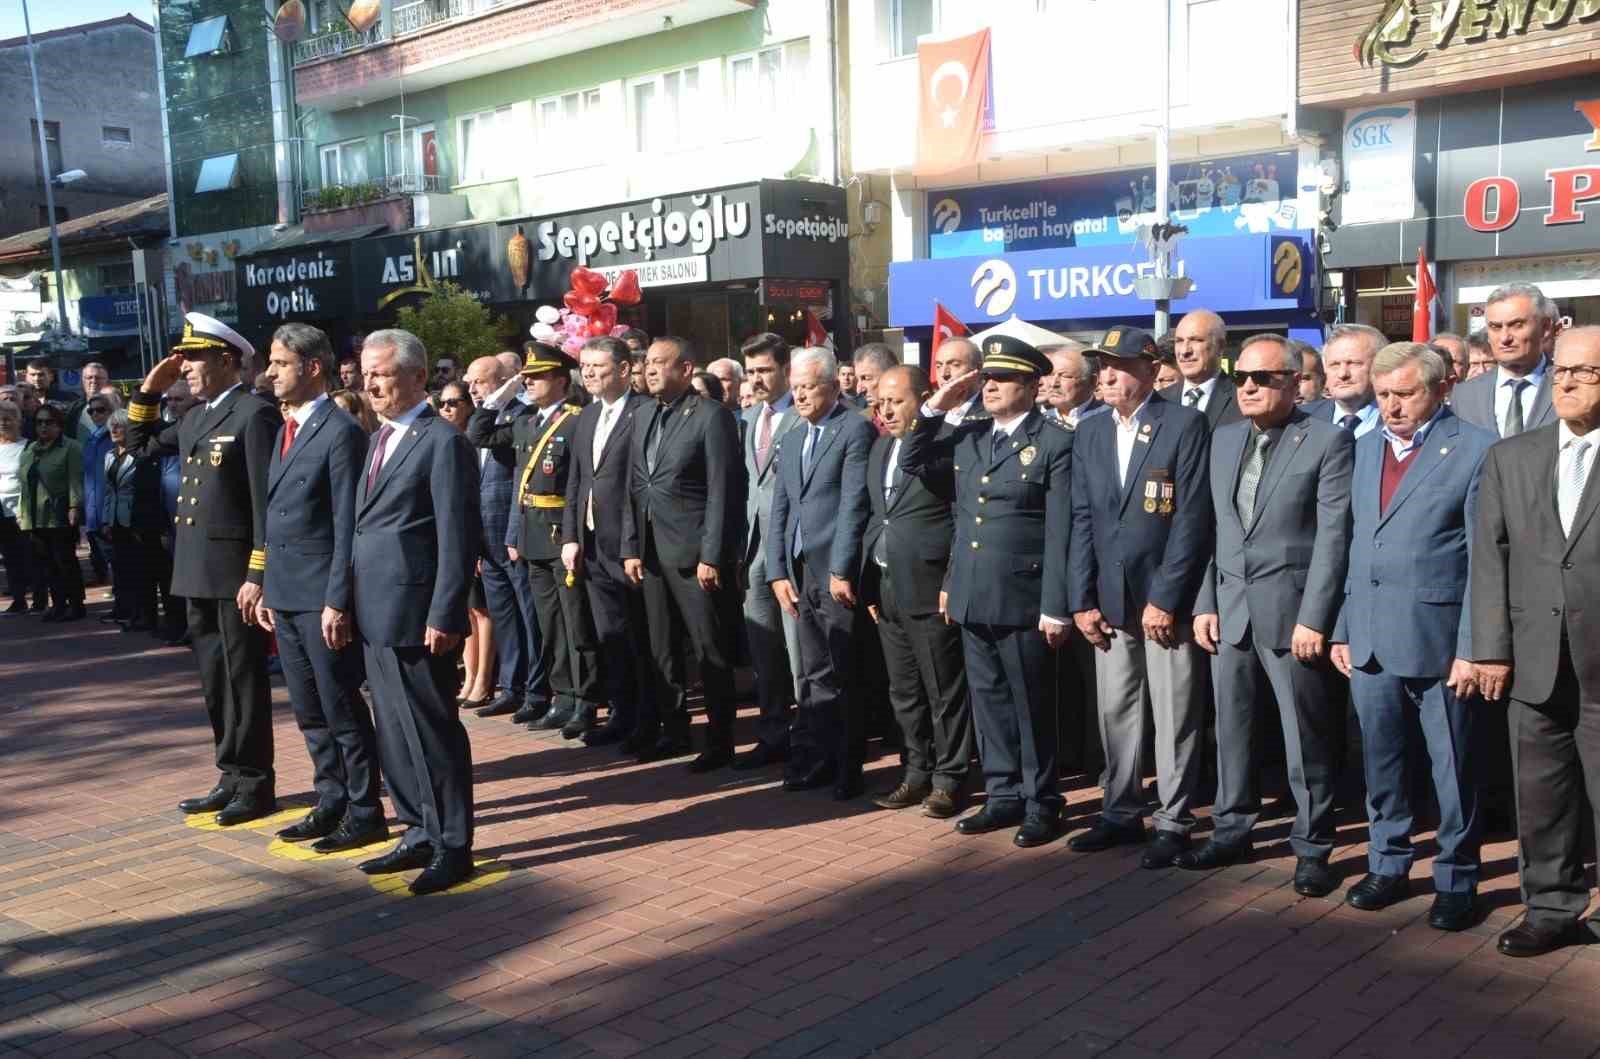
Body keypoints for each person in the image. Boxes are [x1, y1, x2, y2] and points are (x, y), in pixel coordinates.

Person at [1327, 342, 1493, 930]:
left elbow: (1483, 561)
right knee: (1382, 764)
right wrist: (1343, 626)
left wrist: (1473, 647)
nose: (1392, 406)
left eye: (1406, 393)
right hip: (1369, 638)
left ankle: (1456, 879)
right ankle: (1388, 862)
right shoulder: (1363, 448)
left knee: (1453, 770)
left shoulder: (1476, 450)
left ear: (1440, 388)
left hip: (1439, 642)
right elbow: (1354, 545)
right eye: (1383, 395)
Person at [1185, 336, 1352, 896]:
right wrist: (1206, 600)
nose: (1249, 387)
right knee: (1231, 728)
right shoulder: (1225, 438)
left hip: (1292, 614)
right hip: (1231, 610)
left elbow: (1333, 537)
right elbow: (1213, 529)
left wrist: (1316, 616)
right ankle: (1231, 829)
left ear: (1294, 381)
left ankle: (1313, 845)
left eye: (1262, 378)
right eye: (1241, 378)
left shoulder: (1328, 441)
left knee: (1304, 735)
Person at [904, 335, 1074, 846]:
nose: (991, 386)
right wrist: (937, 405)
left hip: (1024, 597)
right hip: (974, 592)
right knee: (989, 702)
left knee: (1031, 704)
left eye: (1002, 379)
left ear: (1030, 385)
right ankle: (1002, 796)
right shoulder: (974, 439)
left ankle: (1042, 800)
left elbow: (1062, 530)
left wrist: (1056, 606)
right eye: (988, 378)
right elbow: (916, 459)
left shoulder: (1054, 442)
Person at [1472, 324, 1600, 957]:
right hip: (1534, 661)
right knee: (1542, 794)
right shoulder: (1511, 457)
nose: (1569, 381)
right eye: (1562, 371)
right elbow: (1489, 560)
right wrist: (1491, 647)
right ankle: (1550, 906)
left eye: (1586, 372)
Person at [127, 312, 280, 825]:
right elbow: (140, 447)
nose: (186, 367)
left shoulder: (253, 413)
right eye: (185, 358)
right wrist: (149, 391)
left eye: (195, 358)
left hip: (234, 572)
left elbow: (265, 503)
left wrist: (257, 574)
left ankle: (256, 783)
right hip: (194, 569)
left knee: (243, 679)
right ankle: (230, 773)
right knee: (215, 681)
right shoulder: (195, 416)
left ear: (227, 360)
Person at [1068, 325, 1213, 865]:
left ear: (1152, 369)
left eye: (1120, 365)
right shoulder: (1090, 431)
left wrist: (1167, 597)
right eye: (1102, 365)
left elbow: (1192, 520)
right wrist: (1080, 598)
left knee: (1175, 713)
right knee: (1116, 710)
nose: (1106, 374)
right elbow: (1083, 519)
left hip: (1162, 602)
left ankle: (1173, 820)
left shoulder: (1183, 424)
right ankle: (1120, 811)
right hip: (1109, 598)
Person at [352, 329, 479, 895]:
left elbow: (457, 534)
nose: (370, 383)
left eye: (382, 372)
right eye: (366, 372)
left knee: (431, 731)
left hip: (417, 610)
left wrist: (446, 612)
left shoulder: (440, 441)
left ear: (418, 377)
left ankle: (453, 843)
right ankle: (417, 829)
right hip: (375, 608)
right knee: (395, 733)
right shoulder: (378, 438)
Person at [254, 323, 385, 854]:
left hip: (320, 597)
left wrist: (337, 599)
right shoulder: (285, 430)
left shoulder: (339, 432)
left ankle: (364, 809)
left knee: (340, 707)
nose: (269, 372)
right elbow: (274, 517)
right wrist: (260, 581)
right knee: (309, 710)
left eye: (279, 363)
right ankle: (329, 799)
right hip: (285, 593)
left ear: (312, 368)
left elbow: (344, 525)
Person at [621, 336, 744, 769]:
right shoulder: (643, 415)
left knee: (709, 649)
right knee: (662, 649)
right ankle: (674, 731)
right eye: (647, 363)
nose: (650, 369)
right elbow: (636, 486)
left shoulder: (711, 417)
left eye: (660, 362)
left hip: (694, 555)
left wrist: (713, 554)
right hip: (651, 553)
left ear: (686, 368)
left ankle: (720, 739)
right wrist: (631, 546)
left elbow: (724, 491)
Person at [475, 343, 602, 737]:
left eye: (538, 376)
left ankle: (586, 701)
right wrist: (503, 392)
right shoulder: (527, 422)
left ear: (562, 381)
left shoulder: (577, 421)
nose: (529, 381)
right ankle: (562, 697)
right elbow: (479, 431)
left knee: (576, 624)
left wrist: (571, 536)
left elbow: (580, 484)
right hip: (531, 536)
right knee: (549, 626)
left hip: (562, 534)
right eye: (526, 376)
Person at [766, 347, 876, 799]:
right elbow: (781, 508)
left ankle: (849, 765)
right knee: (812, 671)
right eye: (795, 387)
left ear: (832, 386)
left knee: (844, 668)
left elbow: (853, 504)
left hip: (834, 571)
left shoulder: (853, 428)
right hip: (799, 571)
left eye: (808, 386)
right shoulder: (792, 435)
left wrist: (842, 568)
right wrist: (776, 571)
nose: (800, 394)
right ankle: (816, 757)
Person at [863, 365, 972, 817]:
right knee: (903, 690)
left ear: (923, 398)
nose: (886, 410)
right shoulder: (879, 446)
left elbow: (959, 518)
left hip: (929, 586)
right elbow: (877, 514)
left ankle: (950, 779)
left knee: (942, 690)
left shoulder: (943, 445)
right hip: (888, 584)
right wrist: (868, 577)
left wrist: (952, 580)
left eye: (897, 401)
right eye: (881, 402)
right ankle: (916, 770)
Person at [561, 336, 653, 749]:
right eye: (585, 365)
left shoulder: (643, 412)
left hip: (630, 545)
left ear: (623, 370)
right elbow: (577, 481)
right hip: (593, 543)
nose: (590, 373)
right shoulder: (585, 417)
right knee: (609, 634)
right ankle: (621, 712)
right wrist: (570, 536)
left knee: (640, 635)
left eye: (599, 366)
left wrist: (632, 543)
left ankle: (649, 718)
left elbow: (640, 486)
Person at [736, 333, 805, 770]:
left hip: (792, 551)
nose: (757, 379)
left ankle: (811, 737)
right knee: (764, 653)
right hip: (753, 551)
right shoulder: (744, 419)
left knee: (799, 653)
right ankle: (773, 732)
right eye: (750, 372)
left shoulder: (806, 416)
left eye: (764, 370)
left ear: (785, 370)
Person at [462, 356, 536, 720]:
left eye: (481, 382)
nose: (473, 390)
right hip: (486, 540)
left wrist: (497, 402)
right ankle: (512, 686)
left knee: (527, 616)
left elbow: (516, 483)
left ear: (507, 381)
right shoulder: (482, 418)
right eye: (470, 383)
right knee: (503, 616)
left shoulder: (521, 415)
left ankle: (536, 689)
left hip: (512, 535)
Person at [436, 380, 495, 707]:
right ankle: (470, 677)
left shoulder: (470, 442)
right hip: (459, 540)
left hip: (479, 538)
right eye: (441, 403)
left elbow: (475, 500)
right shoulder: (445, 440)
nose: (446, 409)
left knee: (483, 613)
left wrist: (475, 545)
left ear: (469, 407)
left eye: (454, 402)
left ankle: (484, 679)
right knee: (470, 611)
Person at [1450, 283, 1555, 438]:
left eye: (1517, 325)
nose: (1505, 338)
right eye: (1495, 327)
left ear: (1545, 328)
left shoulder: (1569, 384)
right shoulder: (1464, 395)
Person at [18, 403, 85, 622]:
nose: (44, 427)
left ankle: (76, 604)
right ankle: (57, 604)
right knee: (47, 564)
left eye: (49, 422)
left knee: (65, 561)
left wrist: (75, 506)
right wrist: (22, 513)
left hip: (60, 513)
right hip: (36, 516)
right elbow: (24, 484)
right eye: (39, 422)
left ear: (59, 425)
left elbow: (75, 479)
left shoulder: (70, 447)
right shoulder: (30, 450)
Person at [100, 409, 164, 631]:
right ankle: (130, 612)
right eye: (111, 426)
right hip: (116, 521)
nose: (114, 430)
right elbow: (109, 490)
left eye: (119, 425)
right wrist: (106, 520)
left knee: (142, 570)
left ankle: (146, 616)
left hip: (137, 519)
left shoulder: (140, 454)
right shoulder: (109, 455)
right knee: (123, 569)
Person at [1162, 309, 1243, 429]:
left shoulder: (1241, 400)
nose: (1184, 351)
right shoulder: (1159, 401)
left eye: (1196, 340)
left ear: (1220, 346)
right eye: (1179, 341)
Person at [1304, 323, 1383, 438]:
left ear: (1378, 366)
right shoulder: (1301, 419)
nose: (1342, 374)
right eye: (1334, 365)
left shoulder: (1403, 420)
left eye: (1354, 363)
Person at [0, 401, 34, 614]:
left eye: (8, 418)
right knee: (10, 558)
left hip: (23, 511)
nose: (3, 423)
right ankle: (18, 599)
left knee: (31, 557)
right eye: (0, 419)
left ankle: (39, 599)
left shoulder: (28, 446)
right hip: (1, 512)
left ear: (18, 421)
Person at [79, 395, 115, 589]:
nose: (95, 414)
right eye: (91, 411)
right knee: (108, 561)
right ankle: (120, 606)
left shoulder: (115, 437)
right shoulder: (91, 439)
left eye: (100, 410)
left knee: (119, 563)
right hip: (93, 512)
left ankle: (127, 607)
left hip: (109, 511)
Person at [1042, 343, 1105, 429]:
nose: (1053, 384)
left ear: (1092, 381)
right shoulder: (1040, 422)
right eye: (1050, 375)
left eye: (1065, 376)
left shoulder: (1110, 419)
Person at [933, 339, 988, 426]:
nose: (944, 374)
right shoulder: (930, 415)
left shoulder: (993, 413)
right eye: (938, 366)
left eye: (955, 365)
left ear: (978, 368)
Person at [853, 343, 898, 432]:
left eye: (865, 378)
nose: (859, 390)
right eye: (857, 380)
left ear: (889, 374)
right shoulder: (860, 422)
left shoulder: (914, 418)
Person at [69, 362, 110, 438]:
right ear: (83, 381)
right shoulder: (74, 408)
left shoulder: (116, 406)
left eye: (98, 378)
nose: (93, 381)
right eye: (89, 377)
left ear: (107, 381)